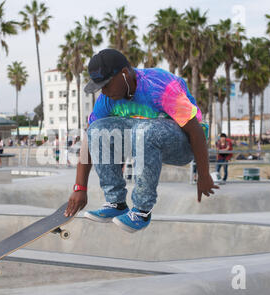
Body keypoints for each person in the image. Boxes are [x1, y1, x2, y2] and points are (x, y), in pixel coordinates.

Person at [63, 48, 218, 233]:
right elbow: (90, 140)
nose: (104, 91)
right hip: (142, 139)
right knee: (96, 130)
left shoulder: (160, 87)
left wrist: (203, 174)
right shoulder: (107, 99)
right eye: (100, 87)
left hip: (183, 144)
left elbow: (196, 132)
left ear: (125, 74)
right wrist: (80, 187)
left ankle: (142, 210)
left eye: (106, 84)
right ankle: (116, 202)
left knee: (144, 130)